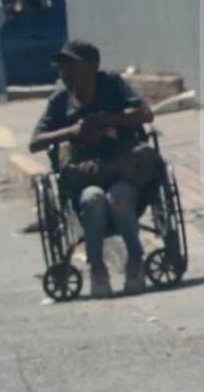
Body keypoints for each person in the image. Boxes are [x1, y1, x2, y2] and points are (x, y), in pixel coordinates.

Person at [30, 40, 155, 299]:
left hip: (123, 170)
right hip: (85, 177)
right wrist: (72, 131)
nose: (65, 73)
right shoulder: (61, 100)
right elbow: (35, 142)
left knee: (118, 197)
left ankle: (135, 261)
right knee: (94, 199)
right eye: (62, 68)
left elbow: (145, 114)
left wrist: (107, 120)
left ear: (91, 67)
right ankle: (97, 268)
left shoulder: (111, 84)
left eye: (71, 66)